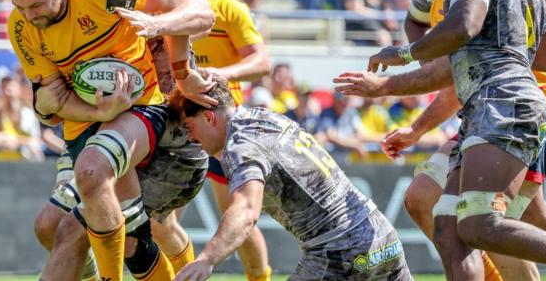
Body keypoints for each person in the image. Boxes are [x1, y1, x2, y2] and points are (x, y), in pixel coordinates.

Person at [336, 0, 546, 278]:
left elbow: (464, 27)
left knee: (484, 224)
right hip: (492, 108)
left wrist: (404, 56)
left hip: (510, 106)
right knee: (448, 222)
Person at [6, 0, 214, 281]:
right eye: (21, 7)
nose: (29, 16)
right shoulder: (21, 26)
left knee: (112, 198)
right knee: (50, 227)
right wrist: (96, 109)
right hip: (88, 121)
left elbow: (185, 6)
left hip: (145, 110)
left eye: (35, 6)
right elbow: (51, 104)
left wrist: (179, 66)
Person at [171, 72, 413, 281]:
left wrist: (206, 259)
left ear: (208, 117)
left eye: (188, 127)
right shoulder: (266, 117)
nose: (191, 138)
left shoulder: (240, 144)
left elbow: (246, 211)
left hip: (339, 250)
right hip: (382, 235)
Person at [174, 0, 273, 281]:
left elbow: (262, 63)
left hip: (222, 125)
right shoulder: (169, 7)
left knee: (234, 213)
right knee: (167, 215)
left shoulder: (229, 8)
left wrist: (221, 74)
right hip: (179, 121)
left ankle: (259, 277)